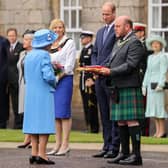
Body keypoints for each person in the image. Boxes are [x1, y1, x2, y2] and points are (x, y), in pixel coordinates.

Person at [99, 16, 145, 165]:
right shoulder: (119, 42)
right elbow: (111, 61)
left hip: (129, 85)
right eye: (115, 26)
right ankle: (124, 153)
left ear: (127, 27)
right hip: (117, 86)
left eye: (118, 26)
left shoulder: (135, 42)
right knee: (121, 121)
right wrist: (99, 69)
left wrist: (110, 72)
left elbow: (131, 65)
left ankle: (136, 155)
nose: (115, 29)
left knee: (131, 121)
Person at [23, 29, 58, 165]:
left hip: (31, 93)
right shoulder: (44, 55)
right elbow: (48, 76)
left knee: (33, 124)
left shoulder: (29, 55)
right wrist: (55, 79)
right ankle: (42, 155)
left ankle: (34, 153)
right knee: (44, 124)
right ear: (46, 43)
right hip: (43, 92)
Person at [91, 2, 120, 158]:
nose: (104, 17)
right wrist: (95, 68)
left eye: (107, 14)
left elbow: (114, 53)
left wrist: (102, 67)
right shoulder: (100, 31)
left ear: (114, 14)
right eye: (103, 14)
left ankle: (114, 147)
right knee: (103, 112)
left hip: (110, 77)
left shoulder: (117, 30)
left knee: (112, 114)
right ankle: (106, 144)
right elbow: (95, 52)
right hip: (99, 78)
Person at [47, 19, 76, 156]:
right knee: (55, 114)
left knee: (63, 113)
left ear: (64, 29)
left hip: (64, 80)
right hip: (52, 81)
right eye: (55, 28)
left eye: (60, 27)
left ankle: (65, 144)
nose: (57, 30)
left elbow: (69, 65)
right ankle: (57, 144)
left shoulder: (69, 42)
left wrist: (58, 76)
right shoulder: (49, 45)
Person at [142, 35, 168, 138]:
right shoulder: (150, 57)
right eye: (153, 44)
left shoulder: (163, 56)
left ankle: (162, 131)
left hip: (158, 85)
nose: (155, 45)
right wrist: (144, 85)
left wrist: (161, 84)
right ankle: (157, 131)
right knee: (153, 109)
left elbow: (163, 71)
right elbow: (147, 72)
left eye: (157, 44)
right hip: (150, 85)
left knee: (160, 109)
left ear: (161, 45)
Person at [17, 30, 35, 148]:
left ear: (32, 41)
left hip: (32, 85)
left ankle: (34, 140)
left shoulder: (35, 54)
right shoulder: (22, 54)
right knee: (27, 113)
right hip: (23, 84)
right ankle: (27, 137)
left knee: (33, 112)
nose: (24, 41)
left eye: (26, 39)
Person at [133, 22, 152, 136]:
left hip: (144, 78)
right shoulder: (135, 44)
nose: (135, 34)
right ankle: (138, 130)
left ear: (142, 32)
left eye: (137, 32)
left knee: (145, 106)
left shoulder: (147, 46)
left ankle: (145, 131)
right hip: (136, 79)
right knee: (138, 106)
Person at [79, 30, 99, 133]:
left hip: (89, 80)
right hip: (83, 79)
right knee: (86, 104)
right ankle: (88, 126)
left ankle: (94, 128)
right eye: (82, 38)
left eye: (84, 37)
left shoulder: (92, 50)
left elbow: (93, 65)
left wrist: (91, 78)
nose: (82, 39)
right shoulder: (83, 50)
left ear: (90, 38)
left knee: (92, 104)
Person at [7, 28, 24, 129]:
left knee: (19, 103)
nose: (11, 37)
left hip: (18, 80)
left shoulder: (21, 47)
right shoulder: (6, 48)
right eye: (9, 36)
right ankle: (16, 123)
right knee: (13, 104)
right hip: (9, 81)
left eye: (13, 35)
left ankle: (19, 124)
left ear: (16, 36)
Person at [0, 35, 10, 128]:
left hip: (1, 79)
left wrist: (4, 77)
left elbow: (7, 60)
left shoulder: (4, 41)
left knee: (2, 101)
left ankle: (2, 123)